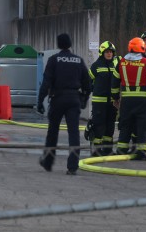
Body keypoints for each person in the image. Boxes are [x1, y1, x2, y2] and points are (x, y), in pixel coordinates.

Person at [37, 33, 90, 175]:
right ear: (70, 44)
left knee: (52, 131)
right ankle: (73, 166)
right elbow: (88, 83)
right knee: (74, 133)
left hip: (58, 98)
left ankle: (48, 162)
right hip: (74, 99)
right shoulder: (79, 61)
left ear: (59, 44)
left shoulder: (54, 60)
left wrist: (40, 100)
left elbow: (46, 82)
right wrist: (84, 98)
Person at [111, 37, 146, 161]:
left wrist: (115, 98)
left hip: (127, 101)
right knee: (143, 126)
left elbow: (114, 82)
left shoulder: (121, 62)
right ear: (142, 48)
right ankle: (142, 152)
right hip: (143, 101)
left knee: (125, 125)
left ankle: (121, 149)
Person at [87, 41, 119, 156]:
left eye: (111, 52)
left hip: (112, 102)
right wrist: (92, 89)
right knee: (99, 126)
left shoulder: (115, 65)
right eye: (107, 52)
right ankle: (96, 150)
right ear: (102, 53)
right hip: (99, 101)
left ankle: (107, 149)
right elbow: (88, 80)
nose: (109, 54)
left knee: (110, 126)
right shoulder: (96, 65)